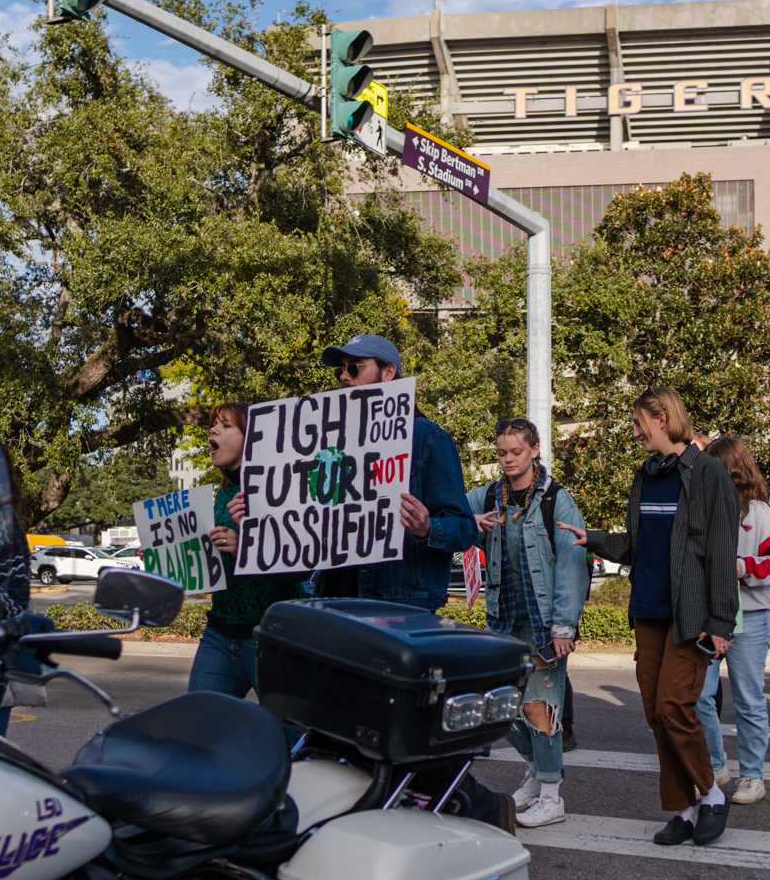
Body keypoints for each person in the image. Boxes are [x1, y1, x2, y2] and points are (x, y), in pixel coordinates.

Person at [577, 389, 740, 846]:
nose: (635, 431)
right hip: (648, 608)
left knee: (674, 705)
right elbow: (638, 544)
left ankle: (710, 794)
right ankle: (685, 808)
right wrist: (590, 539)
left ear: (664, 418)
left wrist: (721, 623)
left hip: (691, 615)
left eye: (639, 422)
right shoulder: (645, 476)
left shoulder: (708, 475)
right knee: (655, 712)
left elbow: (722, 554)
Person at [471, 417, 589, 828]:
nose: (507, 459)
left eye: (516, 452)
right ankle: (537, 773)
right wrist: (472, 523)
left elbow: (572, 565)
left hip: (542, 625)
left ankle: (552, 793)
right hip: (503, 621)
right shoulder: (488, 495)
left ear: (535, 450)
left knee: (540, 707)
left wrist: (563, 627)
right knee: (501, 707)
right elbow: (450, 515)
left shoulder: (557, 499)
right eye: (502, 452)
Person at [306, 333, 476, 613]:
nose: (344, 377)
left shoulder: (427, 438)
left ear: (388, 373)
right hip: (335, 603)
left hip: (397, 608)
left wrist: (427, 528)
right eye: (340, 369)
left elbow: (464, 528)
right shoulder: (334, 443)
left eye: (354, 367)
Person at [693, 436, 770, 805]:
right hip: (709, 616)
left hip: (749, 617)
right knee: (700, 696)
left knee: (749, 700)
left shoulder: (759, 512)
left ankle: (752, 775)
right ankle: (717, 763)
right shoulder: (701, 508)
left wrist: (743, 568)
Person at [198, 403, 310, 698]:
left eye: (225, 425)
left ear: (252, 437)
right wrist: (167, 555)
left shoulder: (282, 487)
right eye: (213, 424)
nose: (213, 430)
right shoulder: (222, 493)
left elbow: (300, 564)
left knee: (291, 735)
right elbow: (214, 560)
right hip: (220, 634)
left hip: (272, 637)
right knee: (196, 726)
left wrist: (246, 546)